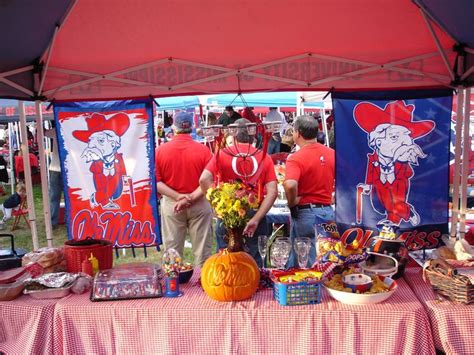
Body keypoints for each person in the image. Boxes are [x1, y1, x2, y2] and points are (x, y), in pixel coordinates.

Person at [199, 118, 278, 267]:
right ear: (253, 136)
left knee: (226, 259)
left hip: (228, 213)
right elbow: (273, 192)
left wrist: (216, 205)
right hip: (255, 212)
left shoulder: (222, 154)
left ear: (232, 135)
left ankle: (226, 287)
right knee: (254, 261)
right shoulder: (263, 156)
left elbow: (204, 180)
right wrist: (256, 218)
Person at [155, 112, 213, 267]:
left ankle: (173, 285)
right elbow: (210, 180)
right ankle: (204, 284)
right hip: (199, 202)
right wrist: (191, 198)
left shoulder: (160, 151)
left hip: (172, 203)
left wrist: (179, 197)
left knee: (172, 250)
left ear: (174, 127)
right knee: (203, 252)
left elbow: (157, 182)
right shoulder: (204, 150)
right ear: (192, 127)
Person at [283, 115, 335, 267]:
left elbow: (290, 184)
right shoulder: (332, 153)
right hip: (327, 211)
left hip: (306, 212)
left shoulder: (295, 158)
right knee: (327, 255)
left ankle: (307, 288)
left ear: (297, 133)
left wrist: (292, 202)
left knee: (305, 260)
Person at [45, 124, 63, 228]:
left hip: (55, 168)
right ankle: (66, 220)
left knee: (54, 197)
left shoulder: (56, 130)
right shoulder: (71, 127)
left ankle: (53, 221)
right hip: (62, 169)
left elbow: (44, 132)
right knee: (61, 197)